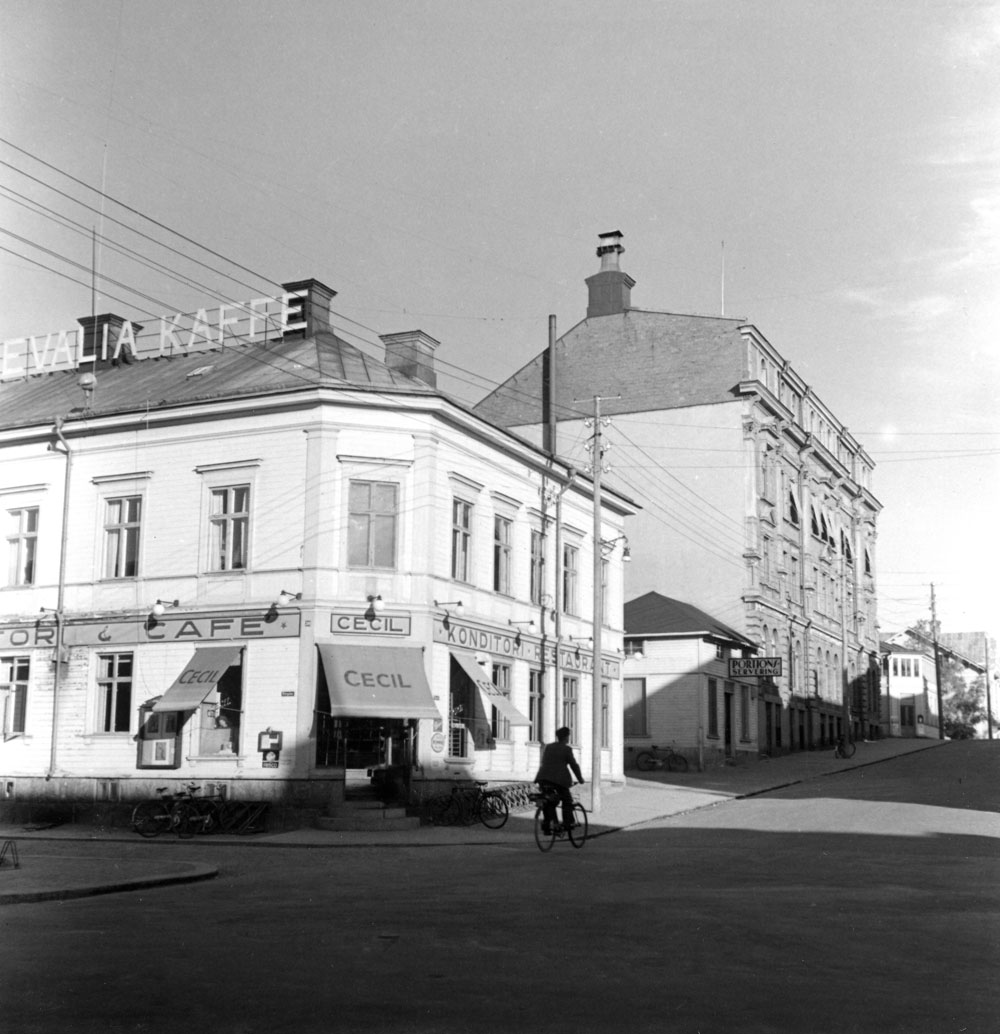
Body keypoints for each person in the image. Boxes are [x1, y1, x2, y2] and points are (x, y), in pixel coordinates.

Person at [535, 726, 584, 833]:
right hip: (558, 780)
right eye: (568, 736)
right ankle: (566, 823)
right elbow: (573, 765)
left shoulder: (548, 747)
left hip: (543, 778)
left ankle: (549, 823)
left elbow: (544, 763)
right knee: (567, 800)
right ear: (566, 737)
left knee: (549, 800)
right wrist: (580, 779)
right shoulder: (566, 749)